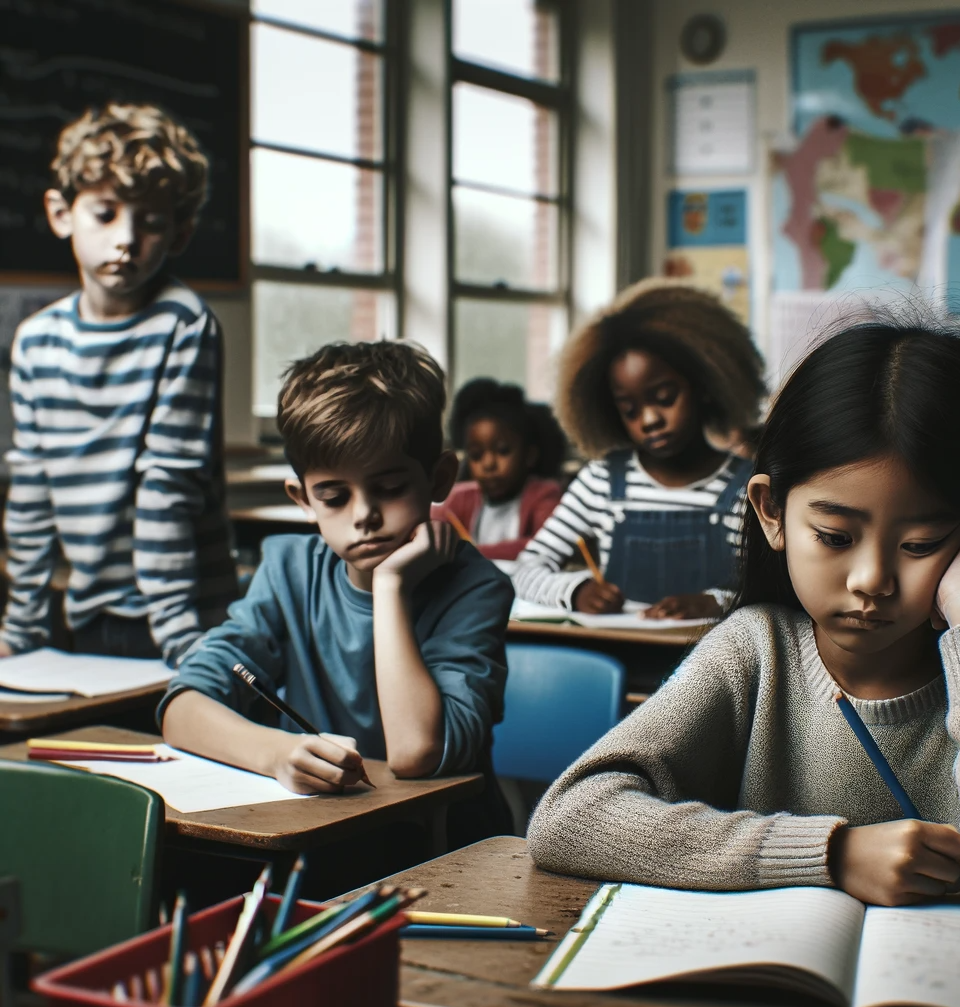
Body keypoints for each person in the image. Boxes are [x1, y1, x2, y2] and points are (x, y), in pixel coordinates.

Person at [527, 317, 960, 922]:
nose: (871, 579)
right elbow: (569, 818)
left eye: (921, 544)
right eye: (835, 536)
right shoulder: (756, 652)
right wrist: (831, 853)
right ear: (772, 513)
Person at [159, 341, 514, 838]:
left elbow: (415, 753)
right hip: (320, 833)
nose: (364, 516)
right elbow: (181, 709)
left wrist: (391, 586)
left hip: (443, 848)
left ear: (439, 478)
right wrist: (276, 753)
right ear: (303, 499)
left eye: (389, 489)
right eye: (334, 497)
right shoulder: (288, 569)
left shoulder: (475, 588)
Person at [0, 103, 236, 664]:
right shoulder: (36, 341)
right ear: (61, 213)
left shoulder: (183, 323)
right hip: (91, 612)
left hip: (188, 616)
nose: (126, 238)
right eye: (105, 214)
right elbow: (31, 492)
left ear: (179, 232)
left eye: (150, 222)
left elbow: (168, 485)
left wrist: (181, 639)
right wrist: (21, 627)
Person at [513, 278, 765, 618]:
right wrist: (576, 591)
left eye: (664, 398)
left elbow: (771, 591)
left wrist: (714, 603)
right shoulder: (601, 481)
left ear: (705, 385)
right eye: (629, 410)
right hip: (618, 660)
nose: (648, 419)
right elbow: (525, 570)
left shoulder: (746, 490)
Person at [431, 378, 566, 561]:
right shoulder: (460, 498)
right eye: (476, 455)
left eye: (502, 451)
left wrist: (470, 554)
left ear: (529, 456)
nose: (488, 464)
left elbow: (547, 543)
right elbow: (431, 532)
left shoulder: (543, 495)